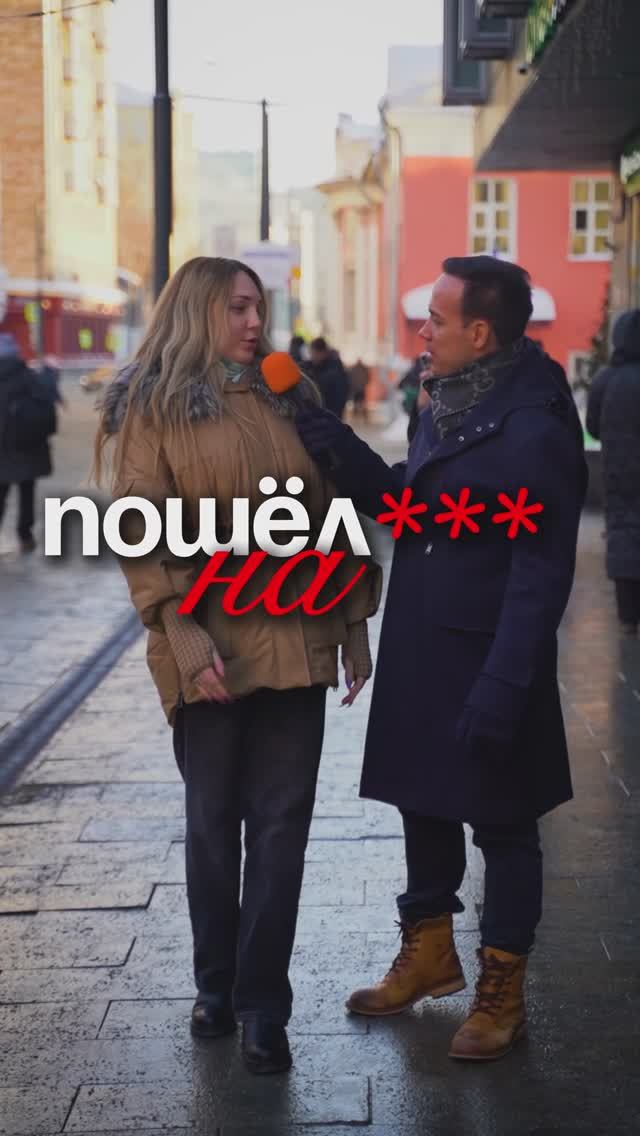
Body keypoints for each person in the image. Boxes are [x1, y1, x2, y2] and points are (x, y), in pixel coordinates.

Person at [93, 257, 381, 1075]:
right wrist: (181, 629)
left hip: (298, 638)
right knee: (214, 828)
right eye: (239, 308)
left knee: (282, 829)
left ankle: (263, 1006)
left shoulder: (293, 395)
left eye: (259, 307)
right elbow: (139, 525)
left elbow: (331, 516)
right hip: (209, 650)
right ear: (198, 313)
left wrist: (354, 624)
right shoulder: (155, 406)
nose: (256, 323)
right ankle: (214, 986)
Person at [295, 256, 586, 1061]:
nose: (424, 330)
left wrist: (504, 683)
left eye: (437, 318)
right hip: (426, 641)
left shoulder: (532, 426)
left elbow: (540, 570)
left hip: (492, 658)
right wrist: (339, 448)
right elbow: (419, 508)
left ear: (480, 332)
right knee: (422, 800)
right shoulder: (451, 401)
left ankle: (501, 994)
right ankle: (427, 956)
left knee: (505, 825)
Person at [586, 310, 640, 634]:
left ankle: (628, 615)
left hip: (618, 470)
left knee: (622, 532)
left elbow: (592, 426)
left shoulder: (606, 379)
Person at [0, 333, 57, 553]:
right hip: (29, 448)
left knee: (1, 493)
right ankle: (25, 537)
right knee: (27, 493)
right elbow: (48, 399)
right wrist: (50, 372)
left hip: (3, 449)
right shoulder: (29, 376)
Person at [308, 337, 349, 419]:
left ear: (322, 353)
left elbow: (340, 397)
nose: (312, 357)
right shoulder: (315, 368)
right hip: (323, 416)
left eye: (314, 354)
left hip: (330, 416)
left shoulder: (334, 371)